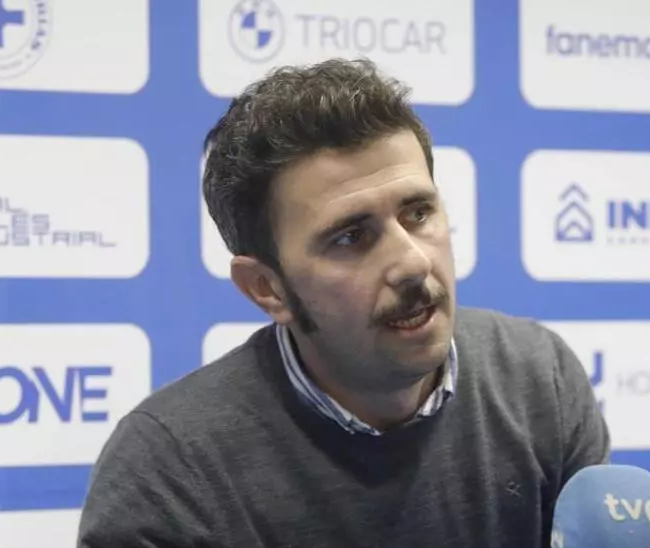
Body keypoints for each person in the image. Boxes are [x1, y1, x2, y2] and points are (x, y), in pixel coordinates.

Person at [76, 58, 610, 547]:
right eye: (351, 237)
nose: (412, 263)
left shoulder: (539, 379)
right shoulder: (170, 470)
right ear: (267, 288)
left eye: (418, 213)